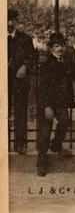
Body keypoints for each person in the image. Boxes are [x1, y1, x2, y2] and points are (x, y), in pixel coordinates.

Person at [36, 32, 75, 177]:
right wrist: (46, 106)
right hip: (47, 103)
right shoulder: (46, 64)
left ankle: (55, 145)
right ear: (50, 48)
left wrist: (70, 100)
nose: (60, 48)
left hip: (60, 102)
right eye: (56, 46)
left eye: (62, 45)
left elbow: (68, 82)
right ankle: (41, 164)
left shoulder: (65, 62)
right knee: (44, 133)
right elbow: (42, 87)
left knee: (65, 121)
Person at [8, 8, 36, 154]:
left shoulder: (25, 39)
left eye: (12, 20)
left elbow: (32, 57)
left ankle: (20, 143)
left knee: (20, 111)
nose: (9, 23)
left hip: (19, 80)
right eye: (7, 19)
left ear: (17, 21)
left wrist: (24, 66)